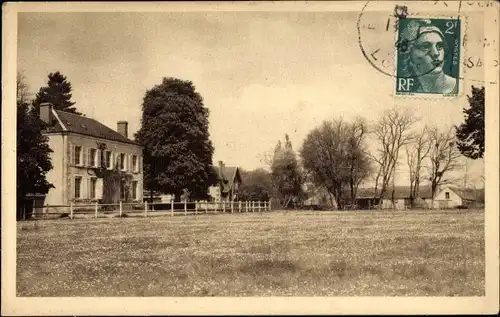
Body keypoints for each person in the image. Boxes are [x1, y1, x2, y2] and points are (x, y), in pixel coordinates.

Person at [398, 19, 458, 94]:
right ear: (409, 54)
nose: (436, 53)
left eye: (439, 46)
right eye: (425, 46)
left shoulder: (458, 87)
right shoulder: (411, 90)